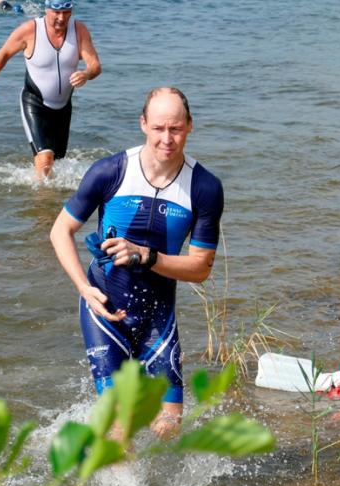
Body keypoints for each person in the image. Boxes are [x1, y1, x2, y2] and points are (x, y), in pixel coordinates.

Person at [49, 87, 224, 439]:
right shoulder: (110, 172)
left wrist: (147, 255)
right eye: (158, 128)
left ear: (190, 125)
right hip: (104, 311)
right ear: (143, 123)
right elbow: (60, 230)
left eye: (175, 129)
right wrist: (84, 288)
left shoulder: (204, 188)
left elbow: (200, 269)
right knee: (120, 429)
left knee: (169, 429)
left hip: (158, 317)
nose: (167, 139)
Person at [0, 0, 101, 179]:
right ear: (47, 9)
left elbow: (95, 65)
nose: (61, 18)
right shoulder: (30, 30)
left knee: (58, 166)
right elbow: (3, 54)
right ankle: (41, 196)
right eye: (57, 12)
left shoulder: (79, 30)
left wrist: (86, 74)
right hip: (34, 103)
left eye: (66, 12)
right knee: (45, 161)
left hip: (63, 107)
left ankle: (43, 195)